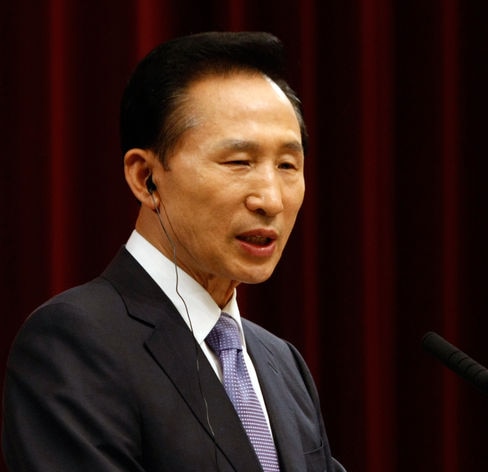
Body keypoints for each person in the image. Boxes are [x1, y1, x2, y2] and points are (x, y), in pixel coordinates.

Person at [2, 31, 345, 471]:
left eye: (287, 166)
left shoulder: (281, 363)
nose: (271, 199)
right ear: (145, 177)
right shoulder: (74, 341)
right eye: (238, 162)